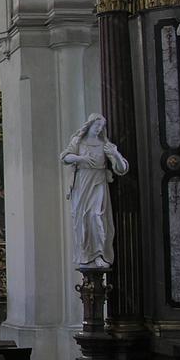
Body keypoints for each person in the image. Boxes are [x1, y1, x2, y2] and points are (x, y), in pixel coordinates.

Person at [61, 113, 129, 269]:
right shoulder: (78, 141)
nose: (99, 129)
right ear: (90, 125)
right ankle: (85, 255)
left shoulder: (104, 144)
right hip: (82, 182)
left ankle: (98, 254)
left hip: (98, 181)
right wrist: (81, 159)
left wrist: (116, 154)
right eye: (97, 125)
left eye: (101, 126)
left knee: (95, 215)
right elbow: (65, 157)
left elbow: (122, 169)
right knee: (81, 219)